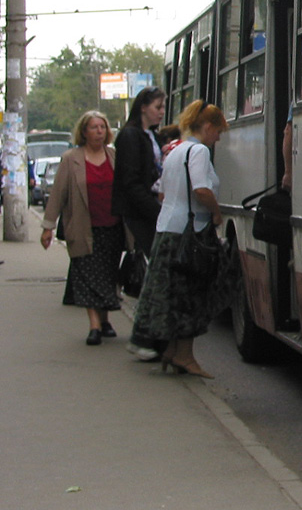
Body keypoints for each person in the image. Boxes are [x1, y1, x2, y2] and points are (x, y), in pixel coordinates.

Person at [131, 100, 233, 378]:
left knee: (173, 296)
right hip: (191, 234)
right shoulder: (199, 150)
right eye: (218, 131)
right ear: (208, 126)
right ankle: (186, 356)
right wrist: (215, 213)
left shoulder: (175, 151)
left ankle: (172, 351)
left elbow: (162, 193)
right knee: (192, 295)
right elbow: (201, 189)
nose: (219, 137)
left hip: (167, 230)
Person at [40, 111, 125, 345]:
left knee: (108, 275)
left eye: (102, 127)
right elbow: (58, 194)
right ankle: (94, 326)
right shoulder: (71, 158)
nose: (99, 131)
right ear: (84, 132)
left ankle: (105, 320)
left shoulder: (114, 156)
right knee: (87, 275)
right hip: (82, 227)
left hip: (112, 226)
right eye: (93, 127)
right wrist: (48, 227)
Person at [113, 86, 167, 361]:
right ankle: (143, 336)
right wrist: (157, 211)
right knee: (157, 273)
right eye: (157, 107)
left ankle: (151, 337)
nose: (161, 112)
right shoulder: (130, 136)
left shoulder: (150, 136)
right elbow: (130, 182)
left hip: (149, 210)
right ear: (143, 106)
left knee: (158, 271)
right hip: (141, 213)